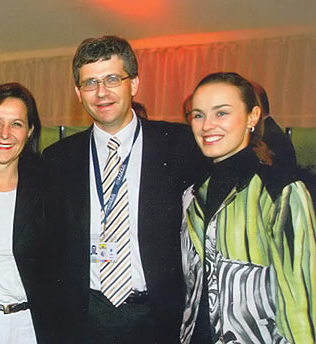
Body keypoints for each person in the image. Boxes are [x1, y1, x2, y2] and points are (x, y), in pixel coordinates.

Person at [43, 35, 202, 343]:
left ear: (134, 84)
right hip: (85, 318)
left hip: (158, 318)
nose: (101, 92)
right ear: (78, 92)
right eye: (90, 83)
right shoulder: (58, 158)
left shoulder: (179, 145)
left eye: (112, 79)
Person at [181, 72, 316, 344]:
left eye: (221, 113)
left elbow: (302, 302)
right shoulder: (193, 193)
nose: (207, 125)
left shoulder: (280, 191)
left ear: (253, 117)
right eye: (198, 115)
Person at [0, 83, 57, 343]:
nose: (5, 134)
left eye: (16, 124)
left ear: (30, 131)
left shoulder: (49, 192)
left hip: (32, 328)